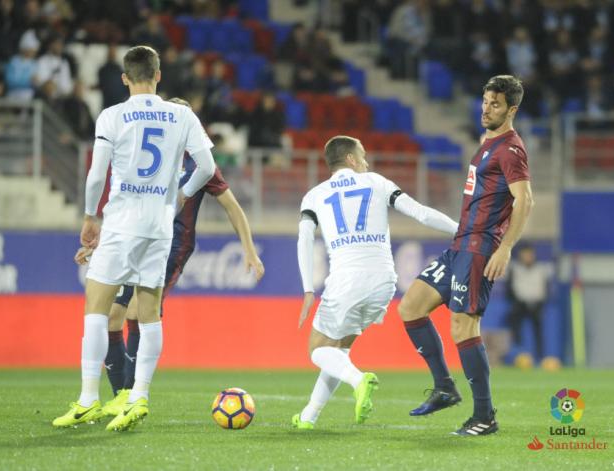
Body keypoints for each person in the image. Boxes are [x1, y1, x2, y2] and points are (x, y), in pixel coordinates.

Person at [52, 45, 217, 432]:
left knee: (96, 308)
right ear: (159, 75)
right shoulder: (182, 115)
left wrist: (92, 215)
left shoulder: (112, 115)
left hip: (122, 222)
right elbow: (207, 167)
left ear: (125, 78)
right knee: (150, 313)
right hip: (159, 225)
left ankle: (90, 400)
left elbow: (97, 176)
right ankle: (139, 395)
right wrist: (178, 197)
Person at [75, 98, 265, 413]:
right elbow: (124, 204)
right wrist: (100, 240)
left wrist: (248, 249)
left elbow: (233, 206)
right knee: (111, 316)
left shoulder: (200, 166)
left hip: (171, 244)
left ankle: (132, 396)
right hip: (132, 237)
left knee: (138, 310)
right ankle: (119, 395)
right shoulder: (146, 156)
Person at [398, 75, 534, 436]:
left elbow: (526, 200)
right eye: (485, 101)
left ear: (512, 110)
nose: (486, 109)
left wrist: (505, 248)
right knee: (411, 307)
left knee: (463, 325)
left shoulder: (510, 149)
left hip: (481, 246)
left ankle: (485, 416)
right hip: (460, 243)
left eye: (495, 104)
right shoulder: (487, 143)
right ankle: (444, 387)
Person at [293, 135, 459, 429]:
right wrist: (461, 231)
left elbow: (305, 239)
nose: (366, 161)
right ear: (351, 160)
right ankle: (309, 416)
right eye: (363, 155)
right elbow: (420, 213)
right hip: (384, 281)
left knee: (317, 349)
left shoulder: (314, 195)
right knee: (339, 349)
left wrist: (308, 288)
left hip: (346, 279)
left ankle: (360, 380)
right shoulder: (376, 181)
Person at [506, 242, 551, 362]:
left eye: (529, 254)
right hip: (520, 304)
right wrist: (517, 300)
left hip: (537, 304)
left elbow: (545, 288)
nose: (527, 257)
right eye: (525, 254)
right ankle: (519, 355)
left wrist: (541, 301)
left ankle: (541, 357)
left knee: (538, 331)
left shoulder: (541, 269)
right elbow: (509, 288)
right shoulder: (515, 268)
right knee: (516, 328)